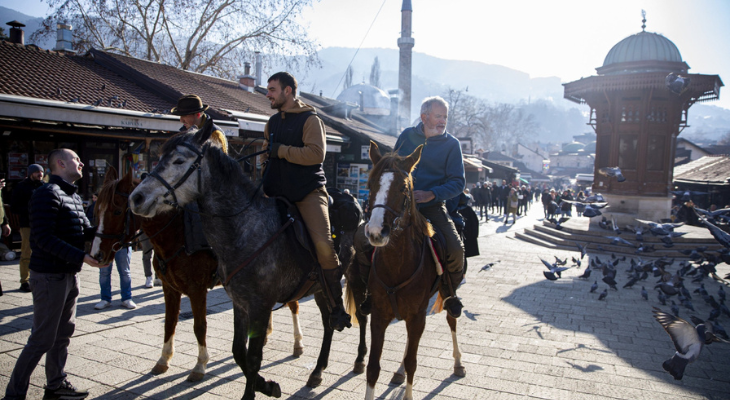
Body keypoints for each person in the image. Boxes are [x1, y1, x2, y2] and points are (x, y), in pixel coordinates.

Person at [2, 148, 107, 400]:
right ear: (60, 163)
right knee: (42, 339)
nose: (81, 162)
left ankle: (55, 385)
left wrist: (112, 229)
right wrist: (82, 257)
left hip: (69, 275)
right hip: (49, 277)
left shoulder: (72, 195)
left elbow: (83, 232)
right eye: (76, 159)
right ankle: (13, 395)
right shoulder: (46, 193)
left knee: (62, 335)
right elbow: (43, 238)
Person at [261, 72, 351, 331]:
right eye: (268, 89)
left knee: (324, 246)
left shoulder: (311, 120)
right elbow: (268, 151)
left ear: (288, 91)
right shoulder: (272, 121)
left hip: (307, 193)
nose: (268, 94)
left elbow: (315, 155)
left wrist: (281, 151)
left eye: (272, 89)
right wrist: (266, 160)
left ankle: (336, 307)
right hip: (275, 194)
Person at [394, 96, 466, 318]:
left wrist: (432, 194)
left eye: (445, 116)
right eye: (438, 116)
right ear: (424, 117)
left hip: (433, 208)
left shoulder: (452, 144)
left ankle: (450, 293)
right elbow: (391, 167)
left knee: (456, 250)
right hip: (400, 205)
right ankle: (368, 290)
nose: (443, 121)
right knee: (368, 238)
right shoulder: (407, 136)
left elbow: (458, 182)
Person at [10, 164, 45, 293]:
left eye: (41, 172)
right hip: (27, 224)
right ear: (31, 173)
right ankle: (25, 281)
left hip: (43, 224)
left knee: (43, 252)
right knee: (26, 253)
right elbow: (14, 207)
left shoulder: (44, 186)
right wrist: (31, 209)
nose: (40, 174)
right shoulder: (21, 187)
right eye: (37, 172)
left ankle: (40, 279)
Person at [94, 245, 135, 310]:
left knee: (125, 272)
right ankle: (105, 299)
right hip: (106, 244)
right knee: (104, 272)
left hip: (122, 244)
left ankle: (127, 298)